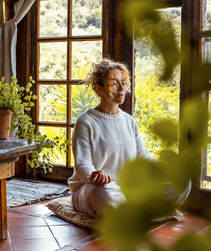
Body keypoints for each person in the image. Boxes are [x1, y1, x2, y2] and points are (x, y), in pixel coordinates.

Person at [68, 59, 190, 216]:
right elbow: (82, 163)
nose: (121, 88)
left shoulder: (129, 121)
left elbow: (143, 158)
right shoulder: (86, 121)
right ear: (99, 89)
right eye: (114, 84)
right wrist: (93, 176)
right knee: (104, 193)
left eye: (124, 83)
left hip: (129, 188)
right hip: (94, 188)